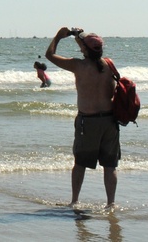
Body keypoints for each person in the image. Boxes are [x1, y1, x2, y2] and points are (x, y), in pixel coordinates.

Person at [46, 27, 119, 208]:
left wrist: (59, 36)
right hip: (110, 121)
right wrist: (79, 37)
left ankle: (74, 201)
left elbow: (49, 55)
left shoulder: (78, 65)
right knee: (110, 166)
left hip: (89, 121)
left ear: (84, 49)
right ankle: (111, 204)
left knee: (80, 163)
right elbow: (89, 51)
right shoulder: (109, 65)